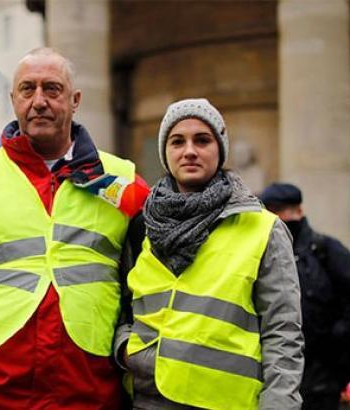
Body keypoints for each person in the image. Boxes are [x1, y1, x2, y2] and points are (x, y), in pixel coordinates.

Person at [0, 47, 150, 410]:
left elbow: (160, 267)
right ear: (13, 99)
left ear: (75, 100)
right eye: (27, 89)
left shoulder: (122, 180)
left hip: (90, 384)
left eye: (52, 89)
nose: (39, 101)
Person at [115, 99, 304, 409]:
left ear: (220, 150)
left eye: (202, 140)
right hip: (149, 400)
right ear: (166, 153)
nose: (189, 150)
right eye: (178, 141)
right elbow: (123, 307)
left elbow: (282, 331)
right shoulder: (141, 226)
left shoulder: (264, 228)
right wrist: (127, 349)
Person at [261, 182, 350, 410]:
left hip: (320, 371)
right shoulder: (266, 249)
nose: (275, 217)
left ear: (298, 211)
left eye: (280, 210)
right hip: (278, 365)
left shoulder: (324, 249)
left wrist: (339, 333)